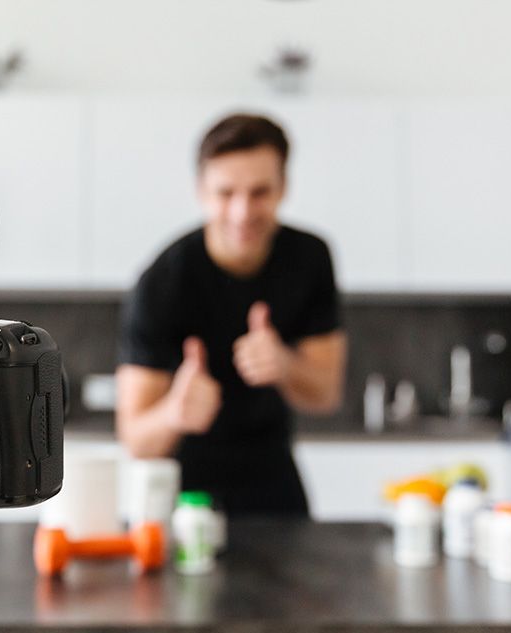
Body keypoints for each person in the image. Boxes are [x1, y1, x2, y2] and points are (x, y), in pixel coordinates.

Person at [116, 113, 347, 517]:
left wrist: (285, 365)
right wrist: (174, 413)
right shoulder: (162, 282)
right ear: (201, 191)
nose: (243, 212)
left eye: (260, 192)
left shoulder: (310, 258)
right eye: (226, 193)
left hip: (275, 483)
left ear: (283, 188)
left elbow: (326, 394)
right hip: (183, 496)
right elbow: (136, 439)